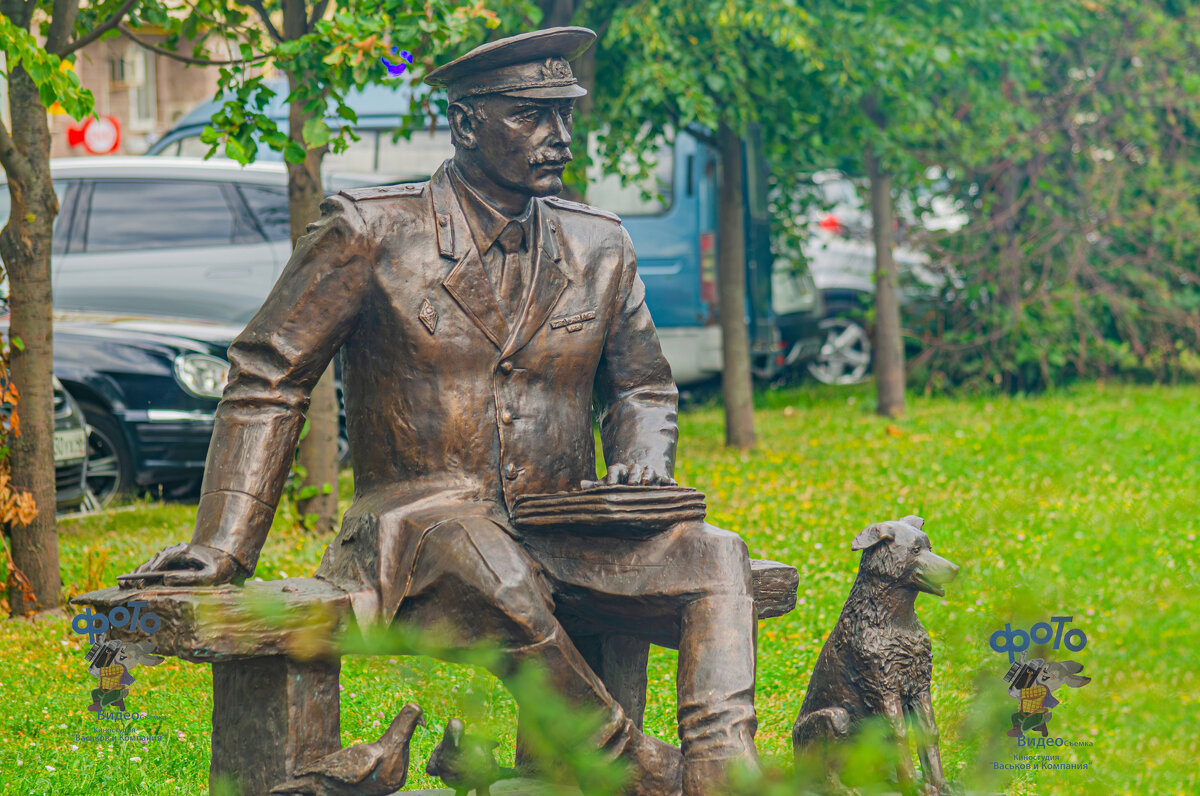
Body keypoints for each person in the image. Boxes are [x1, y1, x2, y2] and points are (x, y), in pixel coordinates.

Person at [124, 27, 757, 796]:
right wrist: (222, 546)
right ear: (465, 124)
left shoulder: (601, 245)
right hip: (418, 530)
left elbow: (643, 387)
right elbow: (269, 376)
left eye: (565, 114)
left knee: (716, 553)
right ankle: (633, 766)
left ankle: (724, 774)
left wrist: (641, 468)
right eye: (532, 116)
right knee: (490, 562)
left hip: (568, 524)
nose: (559, 137)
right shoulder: (372, 233)